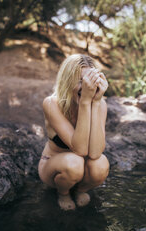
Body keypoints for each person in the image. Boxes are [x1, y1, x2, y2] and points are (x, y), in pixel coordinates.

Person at [38, 54, 109, 211]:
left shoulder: (100, 104)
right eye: (81, 81)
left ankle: (81, 190)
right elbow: (80, 150)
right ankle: (63, 193)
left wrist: (96, 103)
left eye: (90, 81)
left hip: (81, 171)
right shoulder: (52, 103)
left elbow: (95, 153)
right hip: (56, 167)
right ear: (67, 80)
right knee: (74, 162)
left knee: (101, 163)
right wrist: (84, 101)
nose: (87, 87)